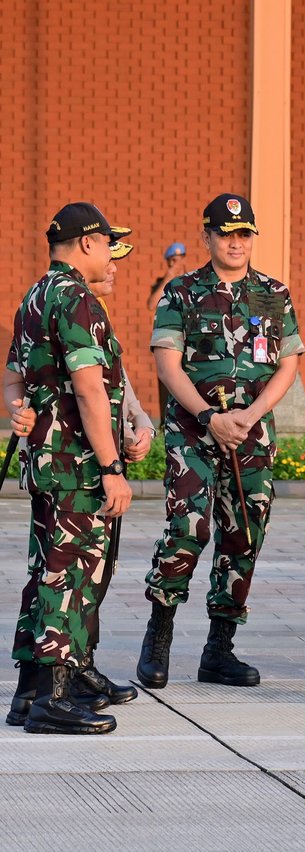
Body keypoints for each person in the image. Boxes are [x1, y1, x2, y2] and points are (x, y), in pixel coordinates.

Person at [136, 193, 305, 689]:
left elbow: (289, 362)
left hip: (251, 436)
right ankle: (159, 633)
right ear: (207, 236)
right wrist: (210, 416)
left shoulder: (275, 294)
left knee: (244, 535)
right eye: (225, 234)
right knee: (188, 527)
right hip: (193, 433)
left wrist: (250, 415)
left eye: (244, 234)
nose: (235, 243)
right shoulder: (181, 292)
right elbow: (167, 363)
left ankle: (220, 648)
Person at [5, 242, 154, 723]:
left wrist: (19, 409)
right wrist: (112, 469)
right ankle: (54, 699)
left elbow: (11, 378)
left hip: (49, 463)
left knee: (48, 569)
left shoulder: (36, 296)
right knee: (71, 576)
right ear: (87, 243)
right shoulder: (76, 299)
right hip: (78, 466)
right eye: (108, 248)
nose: (112, 259)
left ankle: (29, 691)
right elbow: (90, 389)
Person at [147, 242, 188, 424]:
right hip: (168, 345)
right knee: (166, 386)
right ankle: (166, 425)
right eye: (171, 261)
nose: (175, 264)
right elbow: (151, 304)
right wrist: (168, 278)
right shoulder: (162, 285)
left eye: (178, 260)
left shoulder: (191, 284)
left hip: (189, 347)